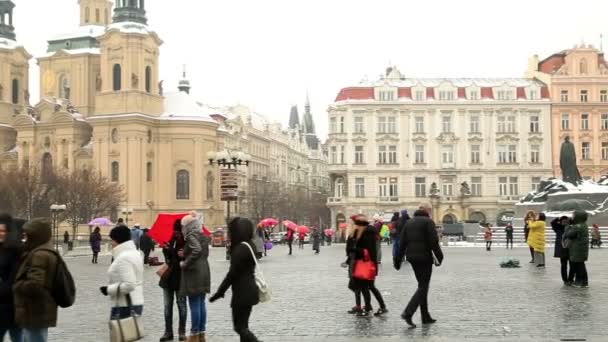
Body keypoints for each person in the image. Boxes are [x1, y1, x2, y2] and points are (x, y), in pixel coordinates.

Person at [210, 217, 261, 342]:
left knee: (240, 327)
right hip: (248, 289)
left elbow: (232, 274)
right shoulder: (248, 244)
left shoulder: (240, 249)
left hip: (242, 292)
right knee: (243, 326)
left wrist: (219, 292)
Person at [394, 208, 444, 329]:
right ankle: (408, 312)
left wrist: (398, 259)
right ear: (428, 212)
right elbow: (434, 241)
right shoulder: (428, 222)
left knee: (422, 285)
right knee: (423, 286)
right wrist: (439, 256)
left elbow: (402, 242)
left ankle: (425, 316)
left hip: (411, 257)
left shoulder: (408, 222)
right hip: (424, 257)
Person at [13, 218, 60, 342]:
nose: (24, 238)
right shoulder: (42, 251)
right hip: (38, 310)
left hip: (35, 311)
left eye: (26, 235)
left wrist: (17, 285)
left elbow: (34, 284)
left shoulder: (39, 255)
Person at [100, 225, 144, 331]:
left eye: (112, 240)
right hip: (134, 301)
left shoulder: (124, 258)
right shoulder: (134, 253)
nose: (111, 243)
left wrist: (108, 290)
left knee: (120, 336)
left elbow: (130, 284)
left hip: (125, 304)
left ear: (118, 240)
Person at [180, 212, 211, 342]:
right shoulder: (202, 235)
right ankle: (201, 333)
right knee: (201, 303)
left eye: (183, 226)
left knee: (194, 303)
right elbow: (202, 252)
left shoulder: (191, 235)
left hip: (194, 272)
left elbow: (196, 250)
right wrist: (186, 252)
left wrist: (185, 262)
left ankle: (194, 334)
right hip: (204, 270)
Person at [160, 219, 188, 342]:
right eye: (175, 230)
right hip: (169, 277)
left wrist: (181, 253)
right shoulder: (170, 239)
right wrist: (166, 249)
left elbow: (186, 258)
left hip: (181, 277)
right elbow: (168, 259)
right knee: (167, 306)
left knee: (181, 305)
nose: (176, 233)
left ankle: (182, 331)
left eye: (178, 230)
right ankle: (168, 331)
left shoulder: (187, 242)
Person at [347, 215, 378, 317]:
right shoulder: (357, 233)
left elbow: (367, 251)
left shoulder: (366, 234)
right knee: (358, 286)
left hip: (363, 263)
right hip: (357, 262)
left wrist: (353, 248)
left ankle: (367, 306)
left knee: (365, 287)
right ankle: (360, 306)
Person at [0, 214, 22, 342]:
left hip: (13, 305)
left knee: (17, 338)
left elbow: (15, 278)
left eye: (2, 231)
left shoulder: (16, 250)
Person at [565, 210, 590, 287]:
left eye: (573, 216)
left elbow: (568, 234)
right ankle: (584, 282)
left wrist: (568, 225)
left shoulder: (577, 226)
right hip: (580, 249)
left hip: (577, 249)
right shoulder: (583, 225)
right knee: (581, 265)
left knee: (578, 266)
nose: (572, 217)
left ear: (578, 217)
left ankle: (580, 282)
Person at [552, 216, 572, 285]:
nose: (564, 223)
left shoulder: (570, 228)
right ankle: (565, 280)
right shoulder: (558, 228)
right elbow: (553, 223)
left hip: (570, 249)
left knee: (572, 265)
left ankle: (570, 279)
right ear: (560, 222)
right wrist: (557, 218)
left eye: (566, 221)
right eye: (563, 221)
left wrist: (570, 219)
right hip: (562, 250)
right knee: (563, 265)